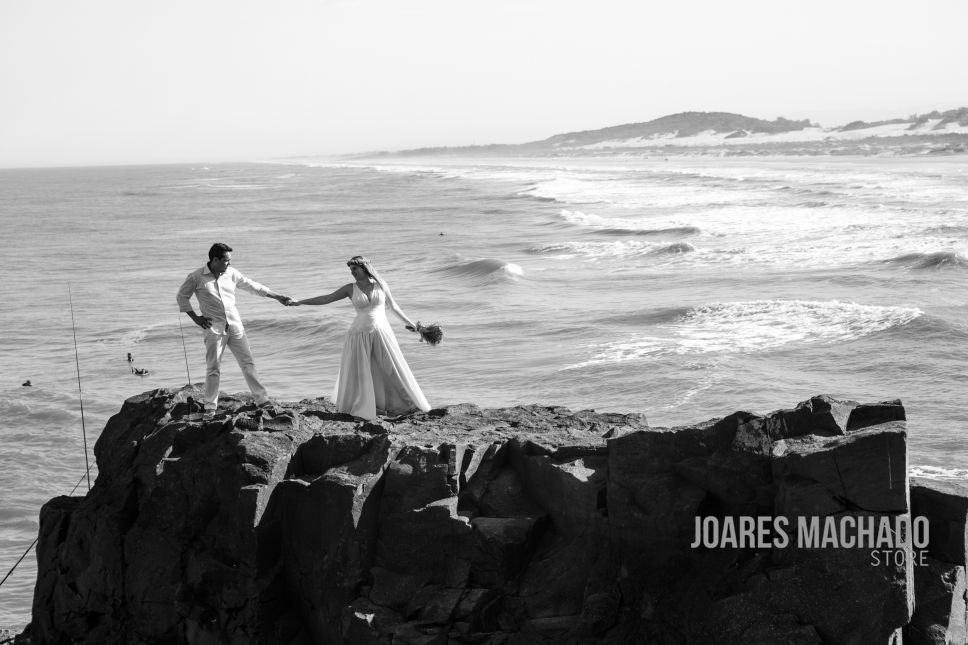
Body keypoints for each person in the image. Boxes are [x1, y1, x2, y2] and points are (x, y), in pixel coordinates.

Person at [288, 256, 431, 420]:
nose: (352, 272)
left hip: (382, 332)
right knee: (363, 372)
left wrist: (415, 326)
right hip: (358, 334)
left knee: (391, 368)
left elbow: (394, 307)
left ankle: (406, 404)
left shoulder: (381, 285)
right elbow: (327, 298)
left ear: (364, 268)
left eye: (355, 269)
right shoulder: (350, 288)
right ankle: (367, 408)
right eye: (351, 270)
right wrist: (300, 302)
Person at [176, 242, 291, 414]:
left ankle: (262, 400)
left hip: (235, 326)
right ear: (215, 260)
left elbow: (253, 286)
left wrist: (278, 296)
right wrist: (196, 318)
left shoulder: (231, 273)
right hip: (214, 329)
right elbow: (182, 297)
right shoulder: (196, 277)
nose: (229, 263)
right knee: (213, 367)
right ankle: (210, 406)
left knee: (248, 363)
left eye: (230, 260)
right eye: (226, 260)